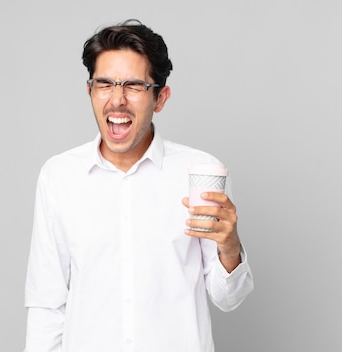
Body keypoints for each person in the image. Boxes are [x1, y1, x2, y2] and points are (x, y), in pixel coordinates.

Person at [24, 19, 254, 352]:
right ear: (89, 91)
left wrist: (230, 247)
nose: (117, 100)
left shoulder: (200, 175)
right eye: (104, 83)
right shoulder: (58, 177)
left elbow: (228, 298)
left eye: (133, 85)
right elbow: (47, 304)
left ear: (160, 98)